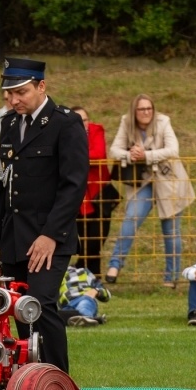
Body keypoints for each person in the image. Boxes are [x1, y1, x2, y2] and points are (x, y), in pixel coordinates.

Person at [0, 57, 89, 374]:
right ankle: (30, 382)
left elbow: (73, 186)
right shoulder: (7, 125)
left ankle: (59, 385)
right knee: (18, 310)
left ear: (41, 86)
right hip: (14, 237)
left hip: (50, 238)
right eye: (9, 94)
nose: (14, 100)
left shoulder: (65, 123)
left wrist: (50, 235)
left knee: (40, 304)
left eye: (21, 92)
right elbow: (0, 189)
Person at [105, 94, 195, 288]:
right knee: (131, 218)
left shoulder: (163, 122)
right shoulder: (126, 122)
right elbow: (114, 150)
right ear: (134, 111)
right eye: (141, 109)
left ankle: (171, 278)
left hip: (169, 180)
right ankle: (115, 265)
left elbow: (173, 150)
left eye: (149, 108)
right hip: (142, 181)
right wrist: (130, 155)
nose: (146, 112)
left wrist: (146, 155)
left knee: (171, 230)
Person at [72, 106, 119, 276]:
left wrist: (75, 156)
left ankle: (77, 269)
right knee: (85, 240)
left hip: (99, 195)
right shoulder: (65, 135)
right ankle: (94, 280)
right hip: (78, 197)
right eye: (77, 120)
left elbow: (98, 154)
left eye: (84, 120)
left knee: (96, 240)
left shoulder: (96, 130)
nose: (82, 124)